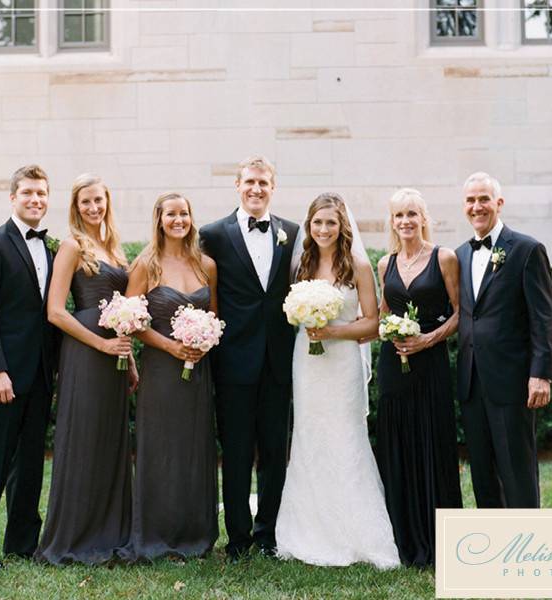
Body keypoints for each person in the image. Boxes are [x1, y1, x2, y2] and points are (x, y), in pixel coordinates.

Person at [275, 193, 400, 570]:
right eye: (317, 223)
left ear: (342, 225)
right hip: (308, 364)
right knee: (310, 436)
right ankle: (307, 528)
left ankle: (355, 531)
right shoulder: (301, 263)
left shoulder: (358, 265)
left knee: (345, 435)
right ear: (309, 225)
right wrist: (310, 323)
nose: (324, 229)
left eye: (331, 222)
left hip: (342, 361)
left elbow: (374, 322)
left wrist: (335, 331)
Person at [199, 156, 300, 561]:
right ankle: (238, 536)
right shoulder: (213, 235)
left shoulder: (291, 232)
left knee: (275, 451)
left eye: (263, 183)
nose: (256, 189)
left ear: (273, 187)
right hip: (234, 360)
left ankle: (269, 534)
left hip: (278, 359)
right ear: (237, 186)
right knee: (237, 452)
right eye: (249, 182)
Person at [35, 173, 137, 565]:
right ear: (76, 207)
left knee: (111, 440)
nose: (93, 208)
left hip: (115, 356)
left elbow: (124, 312)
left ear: (108, 202)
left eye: (99, 201)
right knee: (85, 437)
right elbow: (56, 312)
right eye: (85, 203)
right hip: (85, 352)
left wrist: (126, 360)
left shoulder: (115, 249)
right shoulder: (71, 246)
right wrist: (102, 344)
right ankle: (75, 536)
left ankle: (111, 529)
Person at [0, 164, 59, 572]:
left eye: (41, 193)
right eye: (27, 193)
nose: (35, 200)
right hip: (1, 377)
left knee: (30, 464)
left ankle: (22, 542)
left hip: (39, 375)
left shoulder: (52, 249)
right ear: (13, 198)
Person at [122, 192, 219, 561]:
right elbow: (131, 322)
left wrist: (204, 342)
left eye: (184, 214)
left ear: (191, 218)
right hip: (161, 371)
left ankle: (195, 531)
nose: (178, 220)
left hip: (198, 372)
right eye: (171, 215)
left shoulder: (206, 265)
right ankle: (156, 532)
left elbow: (215, 316)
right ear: (159, 220)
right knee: (161, 448)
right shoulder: (146, 265)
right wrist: (170, 347)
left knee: (193, 448)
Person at [456, 172, 552, 509]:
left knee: (517, 469)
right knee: (483, 473)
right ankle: (492, 547)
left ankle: (527, 546)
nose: (477, 206)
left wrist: (540, 373)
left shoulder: (526, 250)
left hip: (512, 382)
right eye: (470, 200)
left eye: (484, 199)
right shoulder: (460, 255)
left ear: (498, 203)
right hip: (472, 382)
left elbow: (543, 318)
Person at [375, 187, 463, 568]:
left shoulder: (444, 258)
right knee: (397, 445)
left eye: (412, 214)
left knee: (433, 442)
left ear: (423, 217)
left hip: (431, 365)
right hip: (394, 366)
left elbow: (461, 314)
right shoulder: (385, 264)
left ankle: (439, 539)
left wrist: (428, 339)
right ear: (392, 222)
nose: (406, 221)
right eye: (399, 215)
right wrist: (389, 331)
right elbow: (381, 313)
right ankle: (402, 537)